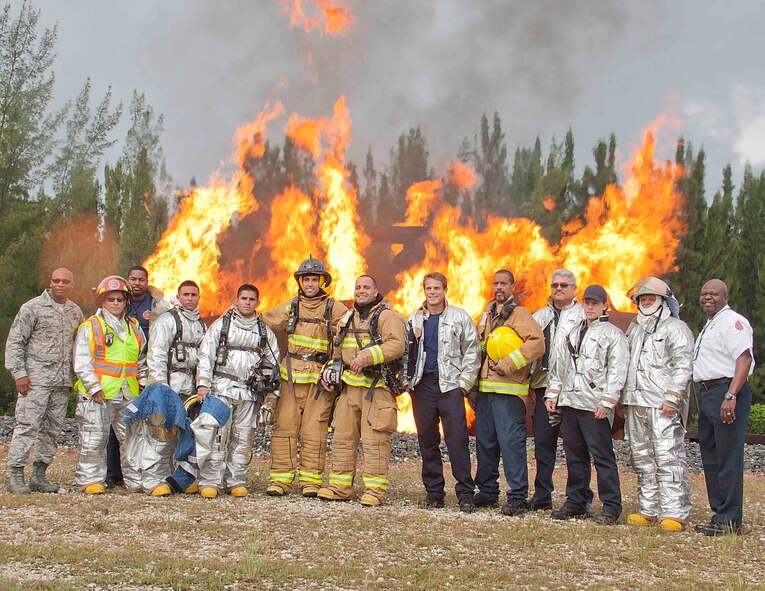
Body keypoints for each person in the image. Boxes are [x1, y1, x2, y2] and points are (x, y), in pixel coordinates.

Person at [261, 258, 348, 497]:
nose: (310, 283)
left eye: (314, 279)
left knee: (315, 431)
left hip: (320, 381)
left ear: (322, 282)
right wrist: (237, 311)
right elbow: (263, 321)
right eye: (306, 279)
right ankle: (280, 480)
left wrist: (337, 364)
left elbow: (352, 328)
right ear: (300, 281)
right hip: (289, 378)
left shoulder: (334, 308)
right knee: (285, 428)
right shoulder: (291, 306)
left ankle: (311, 481)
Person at [316, 275, 405, 506]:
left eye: (366, 287)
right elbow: (337, 349)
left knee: (374, 441)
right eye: (358, 287)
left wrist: (366, 357)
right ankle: (340, 487)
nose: (361, 291)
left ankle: (375, 491)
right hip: (349, 389)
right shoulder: (347, 318)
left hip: (377, 389)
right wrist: (329, 372)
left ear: (376, 292)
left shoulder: (387, 316)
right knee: (343, 439)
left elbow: (396, 345)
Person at [546, 285, 628, 524]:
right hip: (570, 403)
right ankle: (577, 501)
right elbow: (560, 367)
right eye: (587, 302)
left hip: (594, 406)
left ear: (605, 305)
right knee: (574, 455)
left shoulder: (614, 335)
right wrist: (553, 395)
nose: (590, 307)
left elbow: (618, 370)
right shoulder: (572, 332)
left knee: (602, 456)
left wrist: (608, 401)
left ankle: (612, 506)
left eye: (595, 302)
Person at [622, 277, 694, 531]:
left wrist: (673, 397)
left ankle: (674, 511)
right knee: (641, 457)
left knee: (667, 455)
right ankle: (648, 508)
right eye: (642, 299)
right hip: (636, 402)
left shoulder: (676, 328)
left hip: (662, 403)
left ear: (663, 300)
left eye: (651, 298)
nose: (646, 302)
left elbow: (683, 365)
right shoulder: (635, 329)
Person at [195, 284, 279, 498]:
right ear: (237, 300)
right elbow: (205, 354)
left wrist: (271, 395)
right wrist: (203, 384)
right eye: (244, 298)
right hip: (221, 389)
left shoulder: (264, 332)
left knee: (243, 438)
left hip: (249, 393)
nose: (248, 302)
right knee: (217, 436)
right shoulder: (221, 326)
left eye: (252, 299)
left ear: (258, 302)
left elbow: (273, 363)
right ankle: (211, 482)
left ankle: (236, 481)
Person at [5, 268, 84, 493]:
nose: (60, 284)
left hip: (61, 383)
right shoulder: (32, 308)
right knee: (27, 425)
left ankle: (39, 475)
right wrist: (19, 373)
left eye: (65, 281)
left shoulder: (75, 312)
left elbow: (81, 344)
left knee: (52, 430)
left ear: (71, 284)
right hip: (35, 380)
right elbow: (15, 342)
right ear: (50, 282)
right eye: (56, 280)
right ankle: (16, 474)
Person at [407, 272, 481, 512]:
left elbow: (472, 351)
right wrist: (409, 383)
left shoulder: (459, 317)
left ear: (445, 290)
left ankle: (465, 493)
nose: (432, 292)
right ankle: (434, 492)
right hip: (423, 387)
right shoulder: (415, 320)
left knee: (457, 440)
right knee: (427, 441)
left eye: (436, 288)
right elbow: (407, 353)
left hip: (450, 387)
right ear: (424, 290)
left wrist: (464, 385)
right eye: (428, 288)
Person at [474, 270, 545, 516]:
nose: (499, 287)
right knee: (485, 444)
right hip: (485, 391)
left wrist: (509, 364)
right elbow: (481, 350)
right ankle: (487, 491)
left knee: (511, 445)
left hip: (509, 393)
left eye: (504, 283)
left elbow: (537, 343)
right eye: (495, 283)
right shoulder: (487, 314)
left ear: (513, 287)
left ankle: (517, 496)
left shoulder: (519, 314)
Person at [73, 275, 148, 494]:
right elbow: (81, 361)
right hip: (99, 394)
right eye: (110, 299)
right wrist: (94, 388)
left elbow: (141, 361)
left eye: (119, 299)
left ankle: (136, 481)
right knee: (94, 438)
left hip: (128, 393)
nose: (115, 303)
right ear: (102, 302)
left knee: (133, 439)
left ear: (126, 301)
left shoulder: (134, 327)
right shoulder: (91, 326)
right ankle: (91, 480)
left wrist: (143, 385)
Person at [692, 279, 754, 536]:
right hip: (708, 393)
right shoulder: (711, 324)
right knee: (711, 456)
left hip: (726, 392)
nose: (708, 297)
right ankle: (720, 513)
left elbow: (744, 357)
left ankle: (730, 519)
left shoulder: (733, 322)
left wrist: (731, 395)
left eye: (714, 294)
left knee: (728, 457)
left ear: (725, 297)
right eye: (704, 293)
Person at [529, 269, 593, 513]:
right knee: (543, 444)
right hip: (544, 387)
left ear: (574, 288)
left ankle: (580, 497)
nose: (558, 288)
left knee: (576, 446)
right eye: (554, 284)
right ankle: (542, 494)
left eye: (564, 285)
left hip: (574, 390)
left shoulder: (583, 315)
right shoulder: (540, 316)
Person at [105, 264, 164, 487]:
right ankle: (112, 473)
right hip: (116, 378)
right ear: (127, 280)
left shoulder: (157, 305)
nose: (137, 283)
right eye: (133, 279)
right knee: (114, 427)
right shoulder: (118, 303)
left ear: (147, 281)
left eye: (141, 279)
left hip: (146, 373)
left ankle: (141, 472)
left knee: (141, 426)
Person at [145, 280, 206, 495]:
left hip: (189, 390)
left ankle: (179, 479)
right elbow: (157, 354)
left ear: (199, 297)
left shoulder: (201, 324)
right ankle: (154, 479)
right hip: (168, 387)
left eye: (194, 295)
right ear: (178, 297)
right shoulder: (167, 320)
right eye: (186, 294)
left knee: (186, 437)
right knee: (161, 434)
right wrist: (160, 388)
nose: (190, 298)